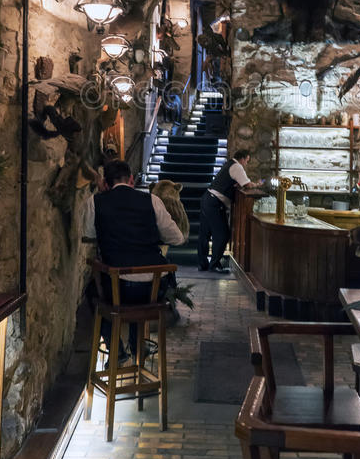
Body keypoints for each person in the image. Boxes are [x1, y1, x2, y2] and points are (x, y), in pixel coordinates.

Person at [89, 159, 185, 362]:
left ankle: (117, 351)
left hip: (119, 289)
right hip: (152, 291)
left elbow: (87, 233)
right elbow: (177, 238)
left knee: (92, 292)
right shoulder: (152, 201)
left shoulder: (95, 202)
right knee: (140, 293)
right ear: (131, 179)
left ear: (105, 183)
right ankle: (137, 346)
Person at [197, 148, 262, 273]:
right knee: (222, 235)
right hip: (214, 203)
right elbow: (247, 184)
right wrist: (257, 185)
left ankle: (202, 264)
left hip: (208, 198)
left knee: (205, 234)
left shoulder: (229, 164)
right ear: (242, 158)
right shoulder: (237, 166)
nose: (246, 164)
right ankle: (214, 265)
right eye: (247, 161)